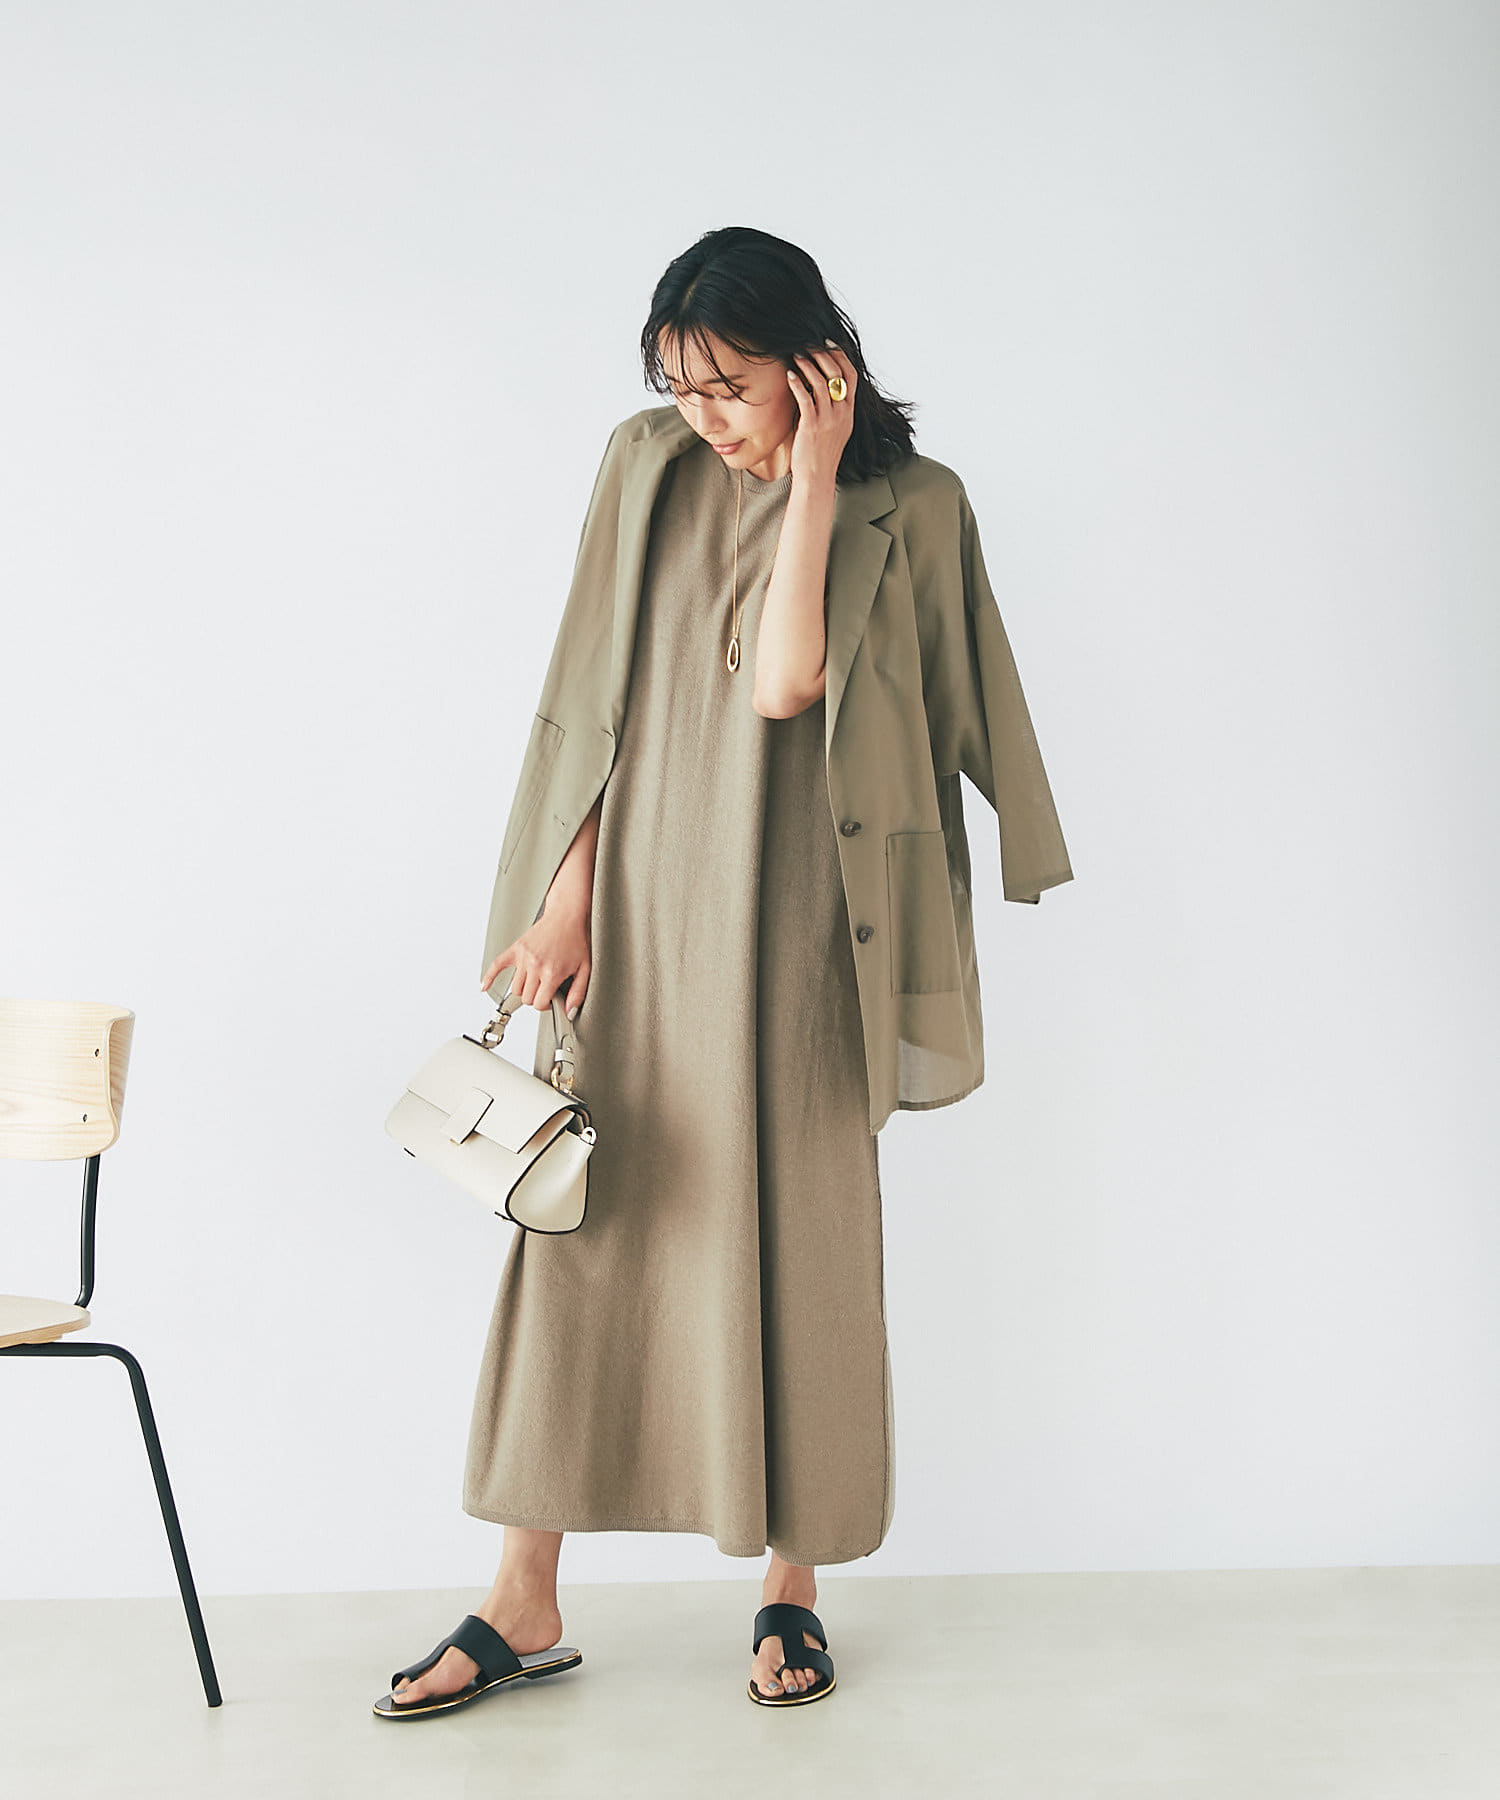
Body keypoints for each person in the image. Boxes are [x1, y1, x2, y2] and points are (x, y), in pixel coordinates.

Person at [373, 225, 1072, 1720]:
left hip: (815, 919)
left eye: (730, 388)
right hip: (642, 905)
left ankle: (790, 1587)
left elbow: (787, 682)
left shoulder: (913, 503)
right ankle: (522, 1595)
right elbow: (588, 695)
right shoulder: (644, 468)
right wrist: (565, 897)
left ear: (820, 368)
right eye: (679, 387)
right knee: (584, 1226)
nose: (702, 417)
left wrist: (811, 480)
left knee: (802, 1236)